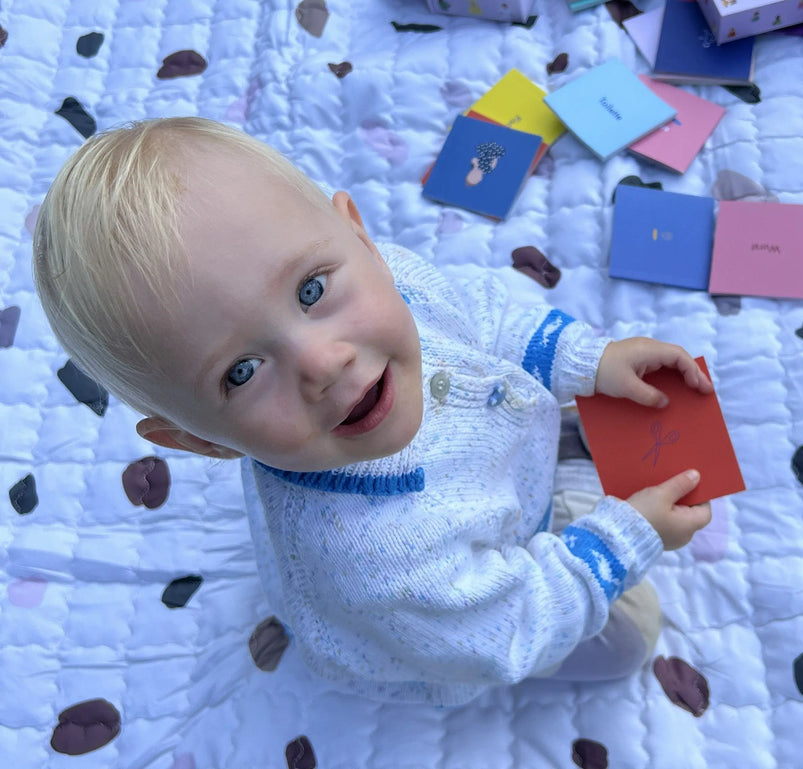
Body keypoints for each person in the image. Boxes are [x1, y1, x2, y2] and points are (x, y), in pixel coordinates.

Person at [32, 117, 713, 707]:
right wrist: (621, 541)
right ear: (199, 441)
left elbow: (472, 315)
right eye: (240, 372)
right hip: (450, 621)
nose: (323, 362)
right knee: (632, 634)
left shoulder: (390, 278)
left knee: (572, 405)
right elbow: (505, 631)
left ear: (358, 236)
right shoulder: (375, 559)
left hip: (484, 462)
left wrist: (585, 360)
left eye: (310, 289)